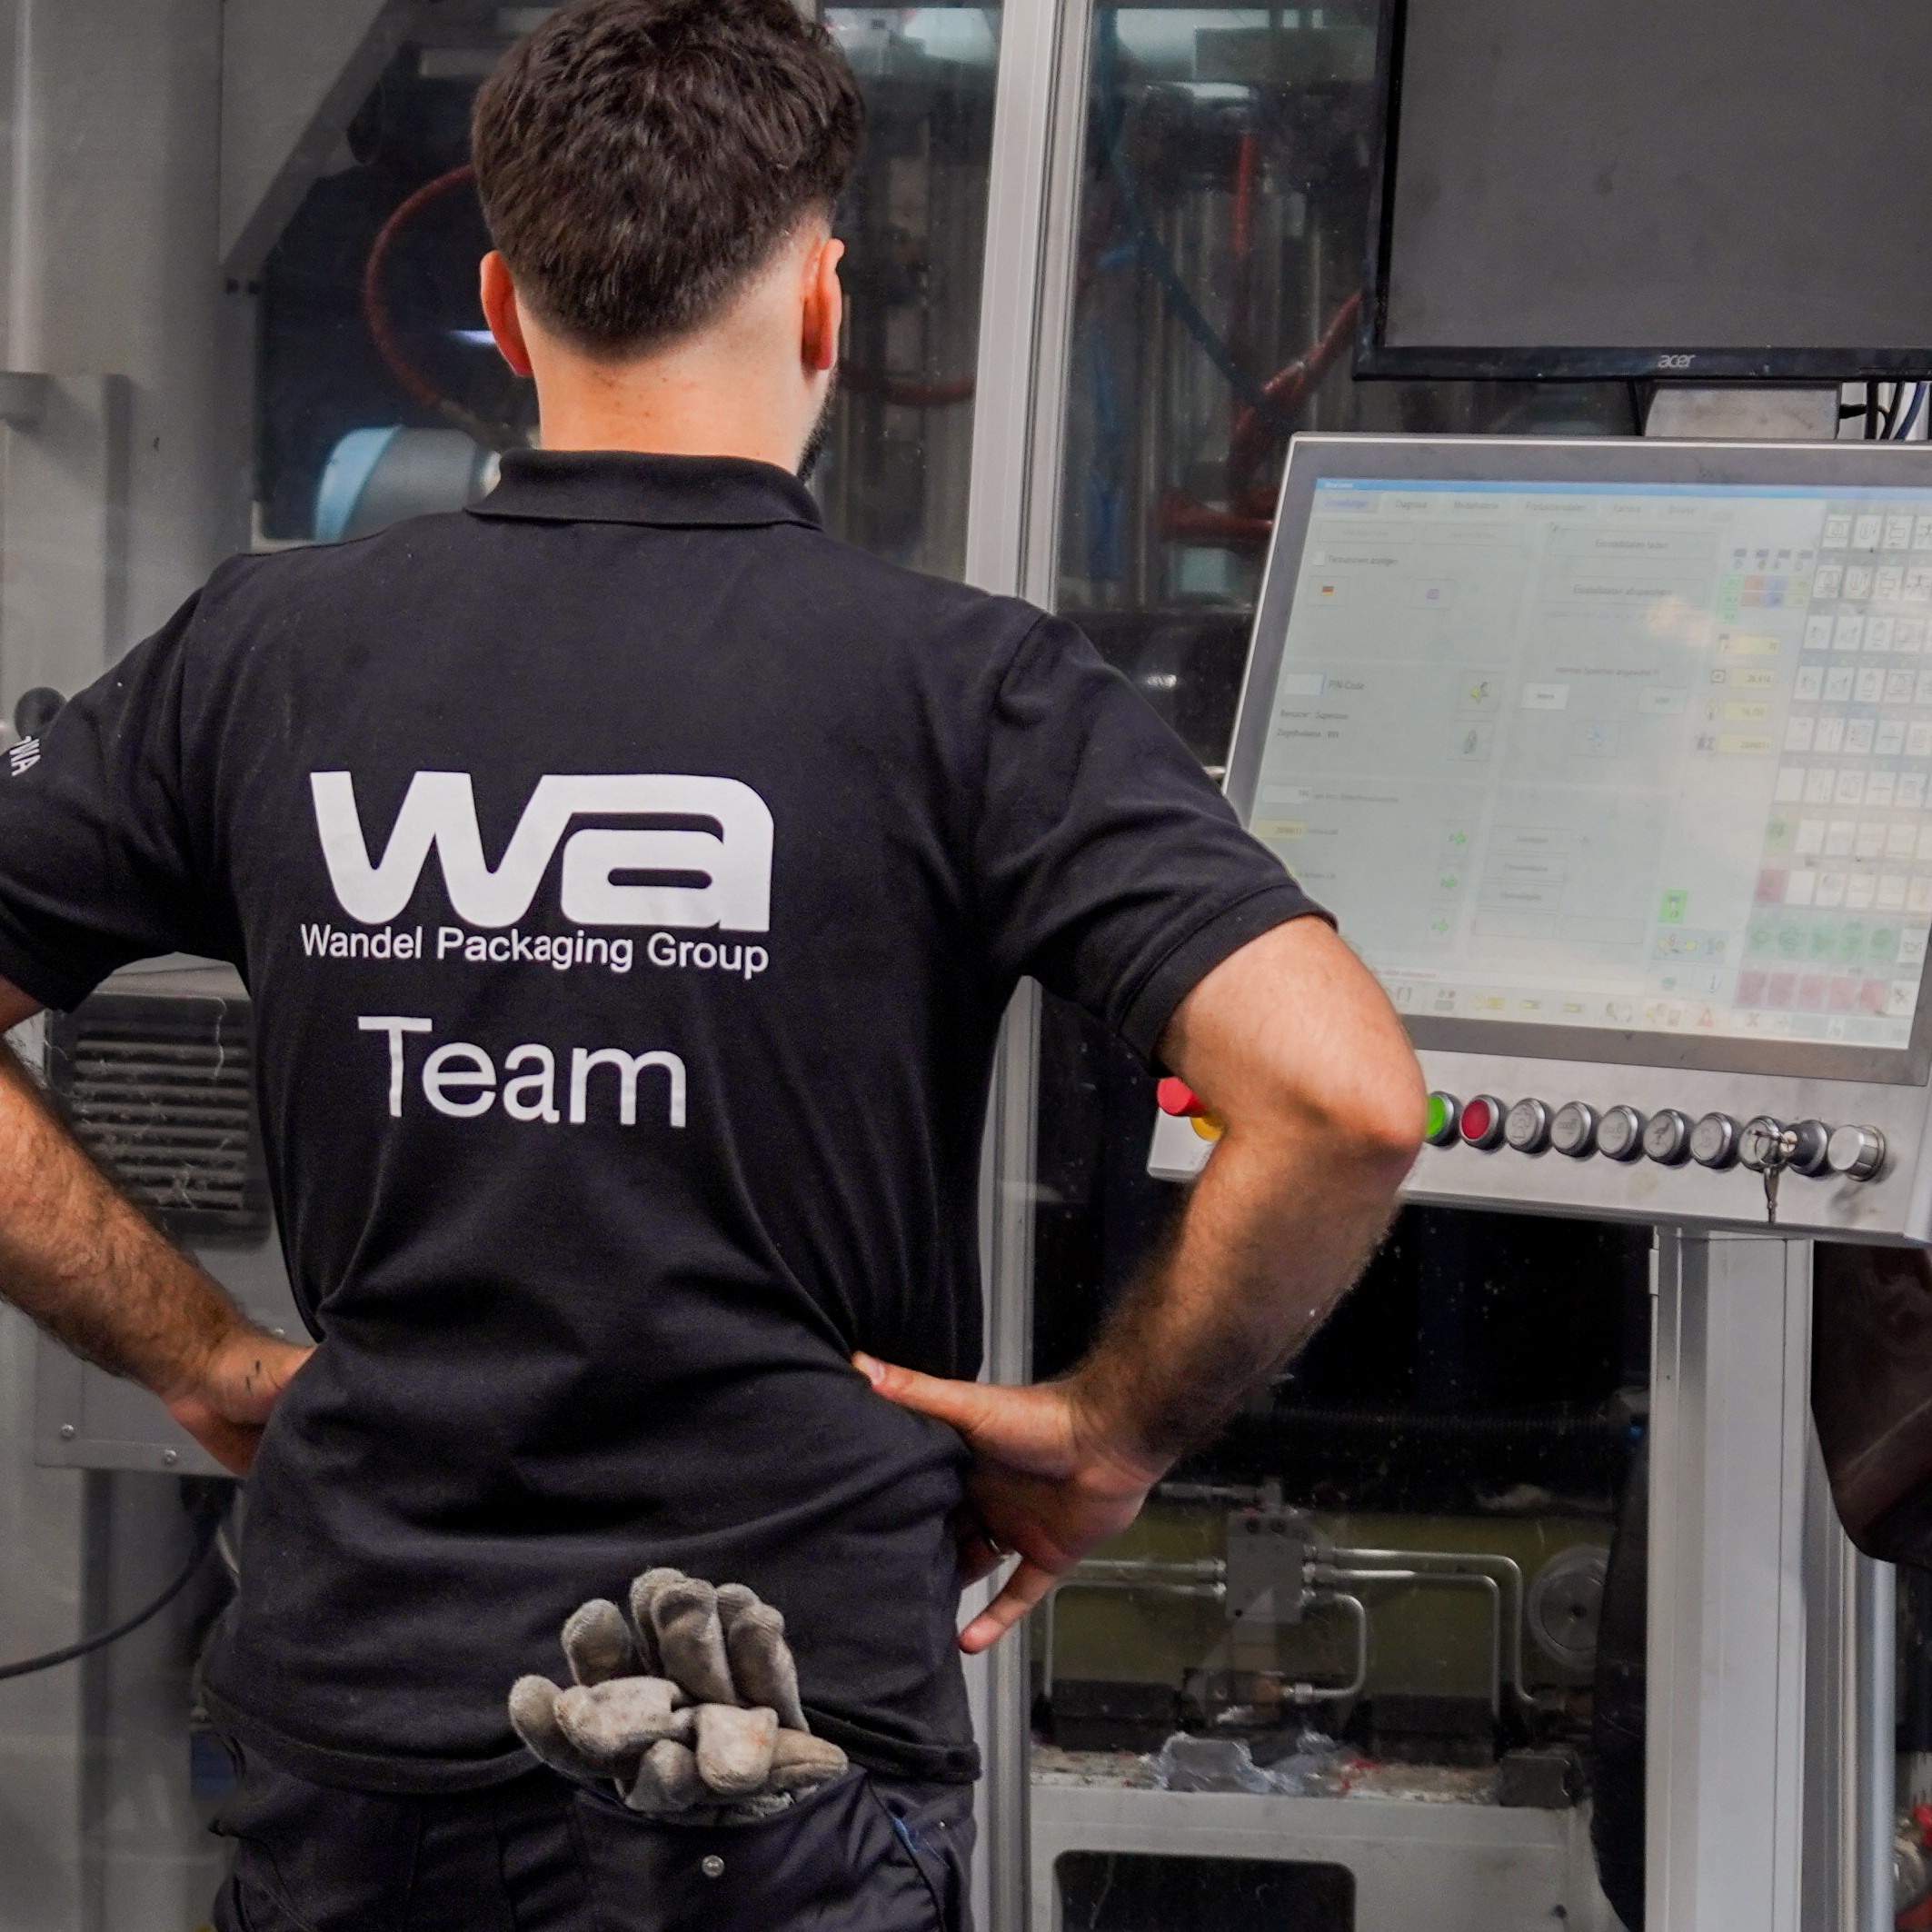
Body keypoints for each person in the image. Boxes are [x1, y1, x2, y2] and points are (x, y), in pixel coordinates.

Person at [0, 1, 1423, 1926]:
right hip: (781, 1741)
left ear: (501, 309)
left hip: (359, 1736)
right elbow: (1338, 1099)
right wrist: (1109, 1432)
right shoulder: (963, 688)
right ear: (826, 306)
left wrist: (190, 1350)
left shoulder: (265, 651)